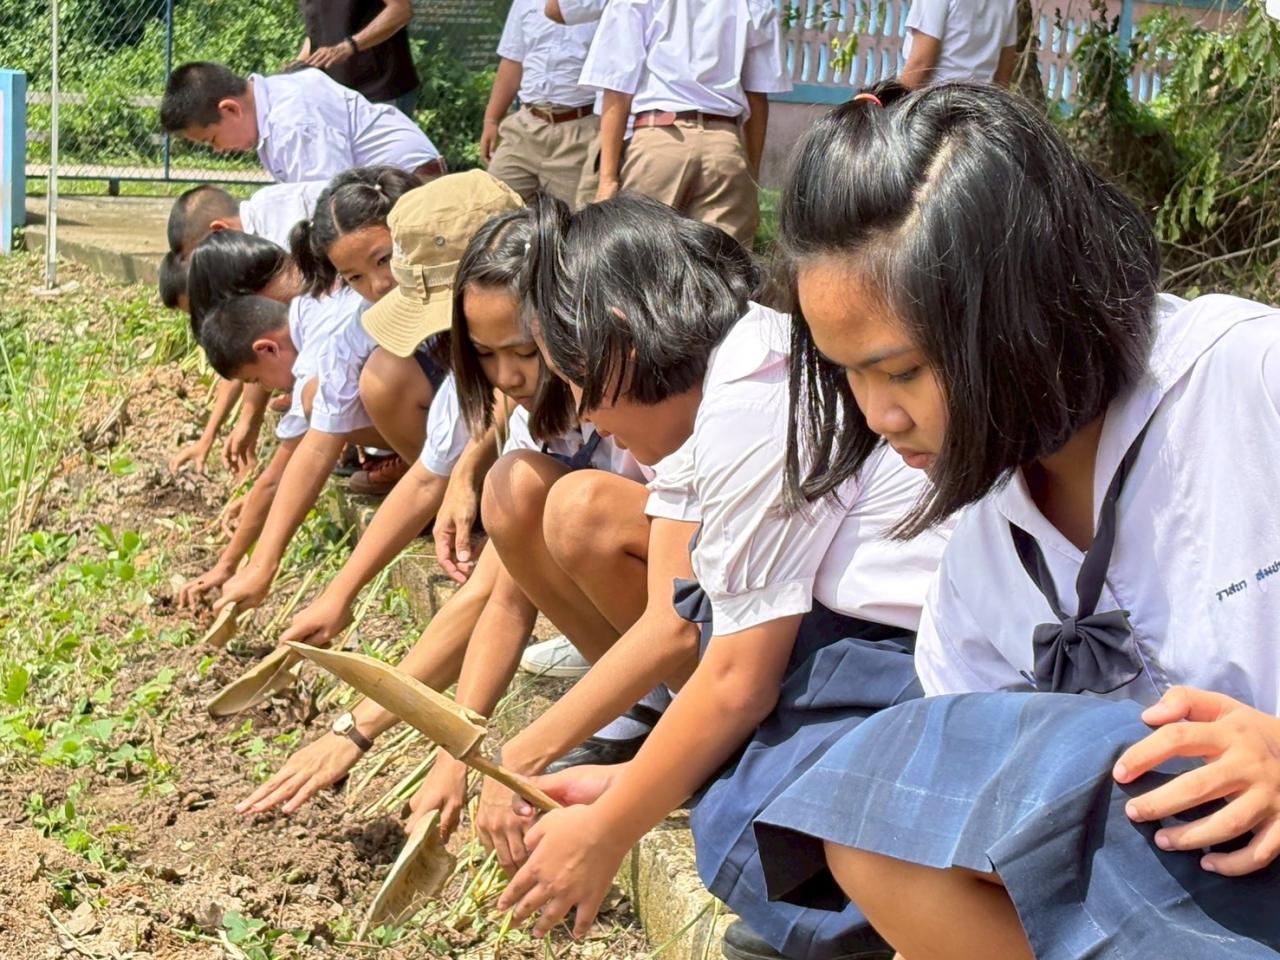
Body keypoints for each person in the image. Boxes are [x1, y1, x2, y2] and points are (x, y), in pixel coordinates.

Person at [735, 82, 1280, 960]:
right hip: (1177, 915)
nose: (878, 416)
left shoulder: (1249, 382)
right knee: (876, 812)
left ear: (1023, 310)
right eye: (847, 374)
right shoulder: (981, 561)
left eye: (903, 371)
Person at [481, 194, 943, 960]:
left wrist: (607, 828)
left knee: (746, 824)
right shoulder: (720, 384)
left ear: (621, 338)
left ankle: (841, 913)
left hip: (908, 665)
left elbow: (734, 681)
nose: (587, 417)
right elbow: (674, 620)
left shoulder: (754, 400)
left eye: (581, 384)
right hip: (851, 649)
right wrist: (595, 775)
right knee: (731, 803)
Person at [235, 206, 642, 819]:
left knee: (571, 506)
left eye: (524, 351)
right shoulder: (534, 419)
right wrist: (445, 748)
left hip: (700, 631)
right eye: (483, 353)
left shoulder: (634, 402)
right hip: (651, 622)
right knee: (519, 486)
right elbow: (498, 597)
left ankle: (652, 705)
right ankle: (641, 699)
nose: (507, 375)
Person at [576, 0, 791, 246]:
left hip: (659, 141)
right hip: (724, 147)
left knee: (646, 258)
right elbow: (757, 96)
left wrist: (607, 180)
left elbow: (617, 89)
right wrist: (751, 177)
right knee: (723, 264)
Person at [288, 165, 432, 493]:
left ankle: (439, 484)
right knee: (320, 395)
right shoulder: (363, 322)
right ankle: (422, 473)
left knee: (386, 375)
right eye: (355, 277)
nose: (379, 284)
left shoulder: (467, 290)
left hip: (503, 435)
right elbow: (318, 446)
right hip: (444, 435)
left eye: (384, 259)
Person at [159, 61, 443, 184]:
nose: (219, 150)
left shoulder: (292, 120)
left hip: (415, 190)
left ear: (231, 109)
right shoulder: (270, 109)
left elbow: (330, 204)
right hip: (384, 191)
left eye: (212, 140)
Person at [480, 0, 599, 205]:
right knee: (492, 206)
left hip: (581, 131)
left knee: (575, 217)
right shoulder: (525, 3)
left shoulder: (602, 5)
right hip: (525, 126)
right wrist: (491, 120)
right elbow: (512, 60)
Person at [295, 0, 419, 115]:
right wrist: (295, 68)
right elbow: (315, 37)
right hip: (333, 98)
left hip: (380, 94)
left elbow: (401, 10)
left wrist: (349, 46)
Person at [900, 0, 1018, 88]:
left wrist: (896, 105)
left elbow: (920, 64)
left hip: (937, 103)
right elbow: (1003, 74)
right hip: (982, 104)